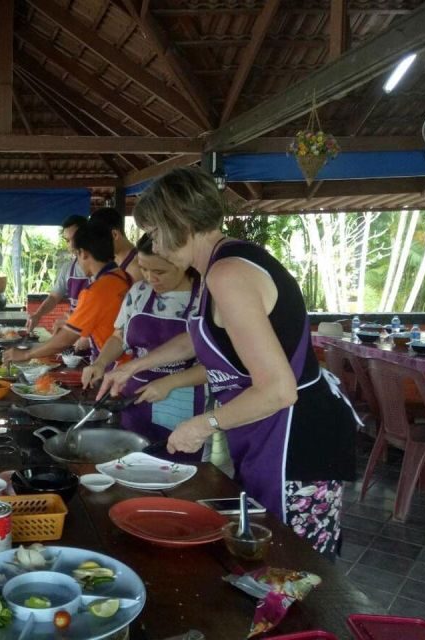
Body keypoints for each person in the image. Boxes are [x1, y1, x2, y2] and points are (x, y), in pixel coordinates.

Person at [99, 167, 357, 556]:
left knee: (295, 562)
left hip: (296, 437)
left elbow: (279, 390)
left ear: (179, 223)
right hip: (268, 431)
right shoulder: (221, 264)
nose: (154, 244)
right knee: (267, 554)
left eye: (154, 232)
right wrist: (133, 366)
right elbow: (203, 338)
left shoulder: (228, 274)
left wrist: (204, 425)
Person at [82, 234, 205, 462]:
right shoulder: (139, 292)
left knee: (174, 468)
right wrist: (100, 362)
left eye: (159, 272)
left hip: (183, 402)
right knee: (130, 461)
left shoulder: (205, 299)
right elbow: (119, 337)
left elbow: (215, 365)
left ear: (182, 262)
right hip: (135, 397)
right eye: (144, 269)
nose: (150, 278)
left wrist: (169, 382)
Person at [5, 219, 130, 365]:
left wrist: (26, 354)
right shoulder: (121, 276)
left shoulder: (95, 292)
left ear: (83, 253)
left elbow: (64, 340)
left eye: (76, 254)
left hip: (114, 365)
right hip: (121, 360)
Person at [25, 214, 88, 332]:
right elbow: (54, 297)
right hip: (74, 330)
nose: (71, 245)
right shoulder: (68, 268)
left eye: (74, 239)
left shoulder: (102, 271)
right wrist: (38, 314)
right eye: (67, 240)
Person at [89, 207, 142, 284]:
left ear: (115, 235)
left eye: (99, 240)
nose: (97, 245)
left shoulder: (136, 268)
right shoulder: (110, 260)